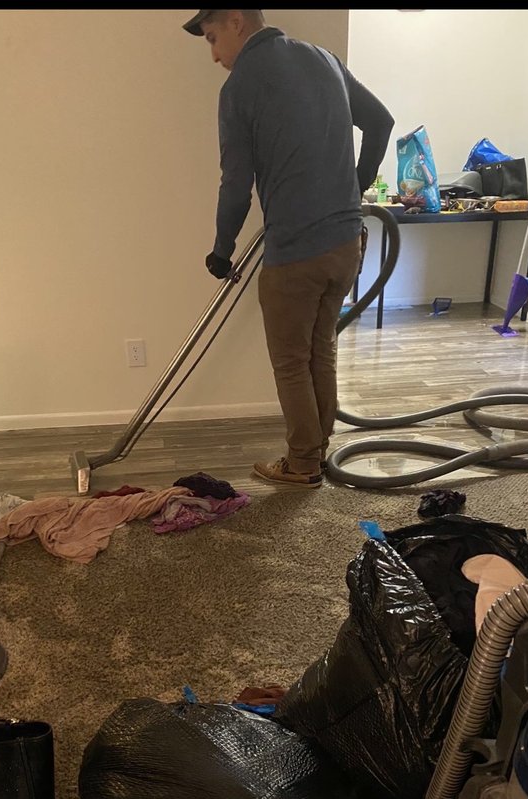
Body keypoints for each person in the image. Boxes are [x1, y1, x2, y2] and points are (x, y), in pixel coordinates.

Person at [183, 9, 394, 488]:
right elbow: (381, 122)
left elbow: (236, 184)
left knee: (291, 361)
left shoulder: (240, 87)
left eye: (213, 38)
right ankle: (318, 449)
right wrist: (355, 189)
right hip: (347, 243)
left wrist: (221, 250)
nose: (214, 54)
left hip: (296, 251)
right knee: (321, 348)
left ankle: (302, 463)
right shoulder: (324, 59)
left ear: (236, 20)